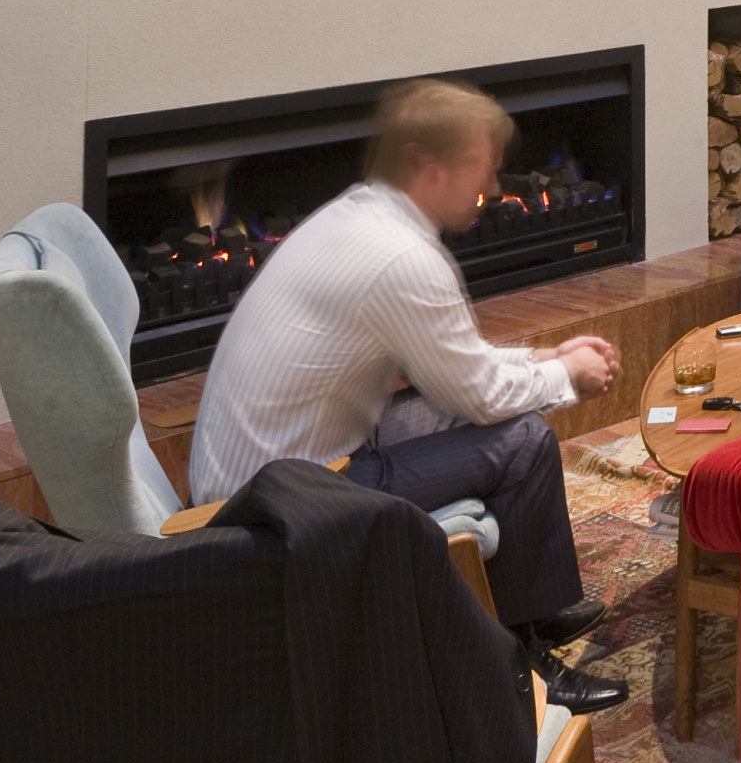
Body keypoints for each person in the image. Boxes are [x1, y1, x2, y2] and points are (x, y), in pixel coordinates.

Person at [188, 77, 626, 709]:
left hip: (273, 472)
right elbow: (475, 395)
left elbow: (449, 370)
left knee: (509, 422)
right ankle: (518, 670)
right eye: (484, 170)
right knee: (524, 440)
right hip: (283, 505)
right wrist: (568, 378)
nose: (496, 190)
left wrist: (544, 357)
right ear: (429, 168)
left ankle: (530, 609)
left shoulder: (359, 215)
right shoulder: (403, 260)